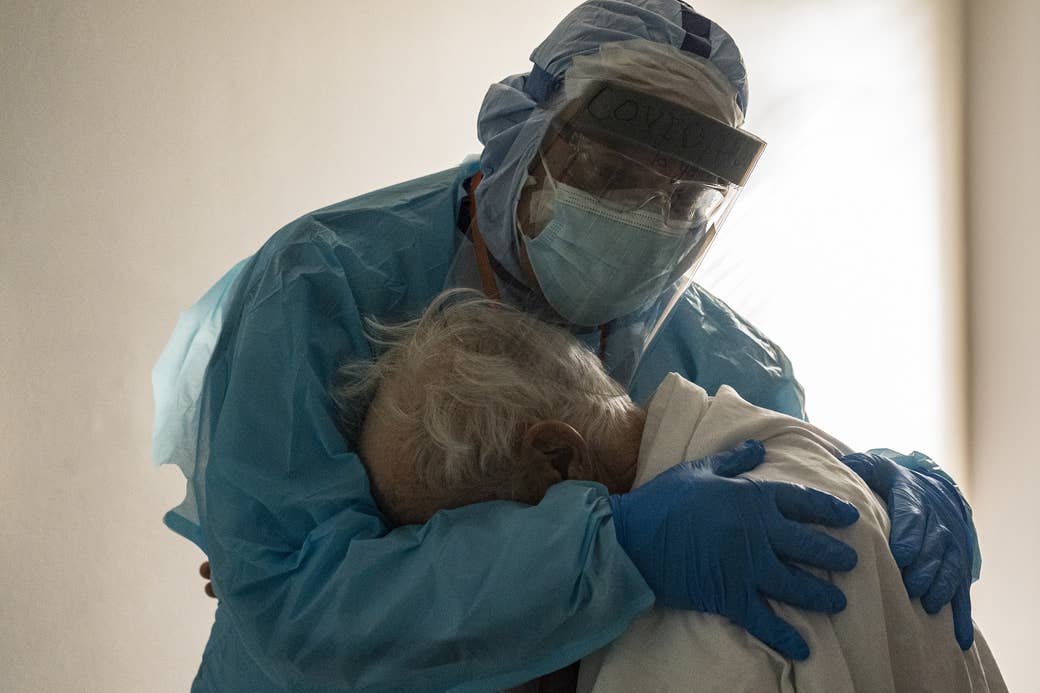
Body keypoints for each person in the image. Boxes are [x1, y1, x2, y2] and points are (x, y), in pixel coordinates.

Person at [157, 2, 980, 690]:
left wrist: (875, 485)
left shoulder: (724, 355)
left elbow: (788, 509)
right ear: (520, 131)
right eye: (613, 172)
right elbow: (292, 595)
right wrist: (610, 547)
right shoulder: (324, 281)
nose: (646, 215)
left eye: (685, 196)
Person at [331, 289, 1005, 693]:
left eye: (476, 538)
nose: (490, 589)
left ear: (559, 458)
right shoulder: (782, 445)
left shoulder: (689, 639)